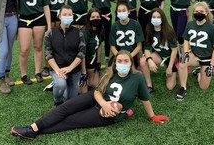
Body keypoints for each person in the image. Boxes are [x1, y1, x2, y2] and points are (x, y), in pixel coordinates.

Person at [11, 50, 169, 141]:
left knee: (70, 121)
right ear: (115, 63)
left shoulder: (138, 78)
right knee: (67, 107)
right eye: (119, 60)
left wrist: (152, 116)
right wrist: (104, 103)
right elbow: (98, 92)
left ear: (130, 63)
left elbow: (144, 99)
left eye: (125, 61)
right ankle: (31, 127)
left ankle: (35, 133)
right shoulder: (110, 73)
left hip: (109, 113)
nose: (122, 63)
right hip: (98, 99)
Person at [177, 2, 214, 100]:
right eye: (196, 11)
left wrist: (212, 64)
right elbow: (186, 40)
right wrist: (185, 52)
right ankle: (183, 87)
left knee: (203, 87)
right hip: (195, 55)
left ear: (206, 13)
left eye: (201, 11)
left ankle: (198, 72)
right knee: (182, 62)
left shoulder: (212, 27)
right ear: (193, 13)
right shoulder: (190, 25)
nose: (198, 13)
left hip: (207, 58)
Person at [45, 5, 86, 106]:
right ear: (59, 16)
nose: (67, 17)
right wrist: (57, 70)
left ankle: (62, 86)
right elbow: (48, 54)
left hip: (74, 70)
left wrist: (70, 68)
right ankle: (57, 100)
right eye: (64, 14)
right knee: (61, 84)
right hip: (57, 68)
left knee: (71, 100)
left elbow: (81, 53)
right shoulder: (50, 33)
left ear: (73, 16)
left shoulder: (79, 33)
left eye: (70, 15)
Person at [17, 0, 51, 85]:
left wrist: (49, 26)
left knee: (38, 47)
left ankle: (37, 72)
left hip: (39, 19)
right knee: (24, 49)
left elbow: (46, 8)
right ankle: (23, 74)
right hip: (24, 20)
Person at [140, 8, 178, 93]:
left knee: (170, 87)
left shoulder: (169, 31)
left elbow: (174, 51)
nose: (156, 19)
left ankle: (175, 72)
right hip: (159, 55)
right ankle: (149, 85)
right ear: (150, 18)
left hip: (171, 57)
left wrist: (170, 67)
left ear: (162, 19)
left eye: (158, 17)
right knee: (143, 61)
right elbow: (146, 48)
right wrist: (149, 60)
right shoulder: (149, 30)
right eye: (154, 17)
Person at [41, 0, 67, 77]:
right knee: (49, 41)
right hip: (49, 14)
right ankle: (46, 66)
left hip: (61, 15)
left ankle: (59, 63)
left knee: (61, 41)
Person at [90, 0, 115, 67]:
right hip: (96, 13)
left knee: (108, 35)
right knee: (96, 36)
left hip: (107, 13)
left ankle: (107, 58)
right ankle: (96, 57)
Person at [109, 0, 144, 68]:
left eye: (124, 10)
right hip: (118, 54)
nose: (121, 12)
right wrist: (119, 56)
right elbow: (112, 46)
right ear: (116, 13)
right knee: (111, 69)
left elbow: (139, 46)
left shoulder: (136, 24)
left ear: (129, 11)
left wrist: (129, 56)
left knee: (131, 72)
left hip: (132, 54)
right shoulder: (114, 26)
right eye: (119, 11)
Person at [79, 8, 104, 93]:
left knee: (96, 85)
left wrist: (98, 62)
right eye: (93, 17)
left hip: (92, 60)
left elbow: (99, 45)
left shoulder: (101, 29)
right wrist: (83, 71)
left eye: (97, 16)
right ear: (89, 18)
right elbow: (81, 53)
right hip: (82, 61)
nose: (95, 19)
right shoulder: (84, 33)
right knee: (83, 92)